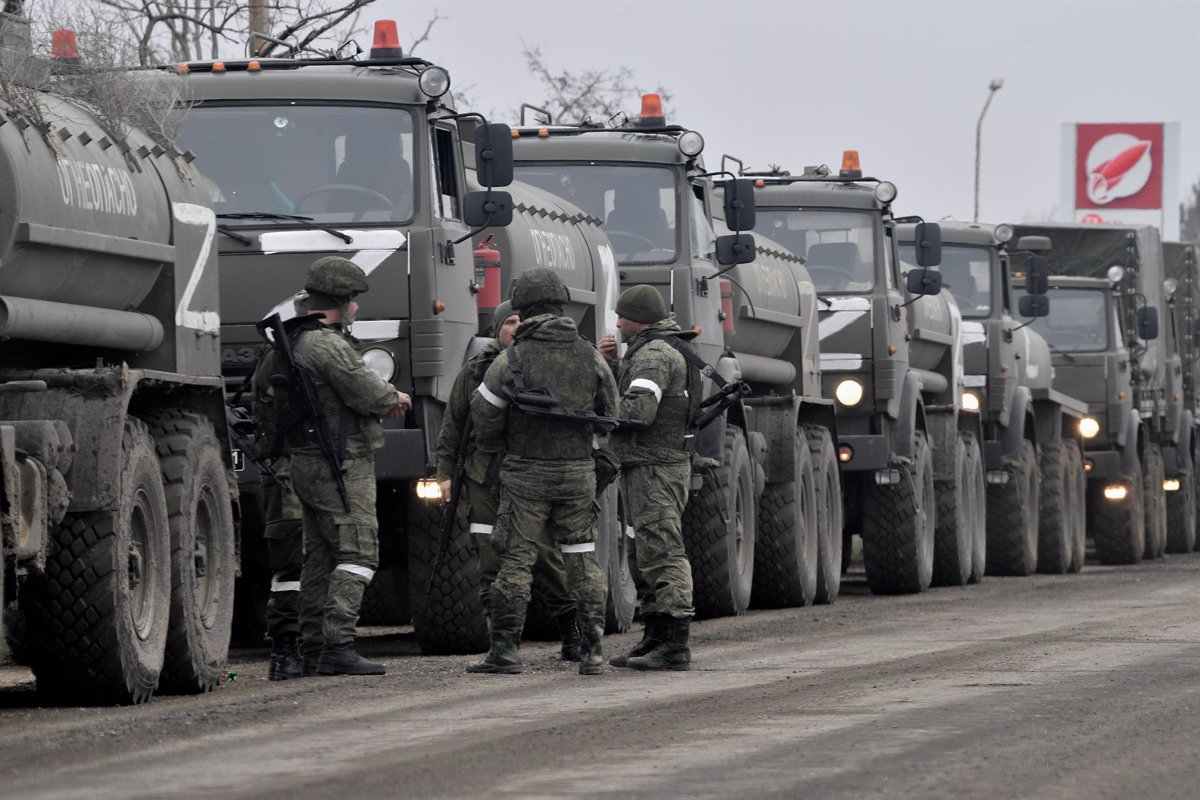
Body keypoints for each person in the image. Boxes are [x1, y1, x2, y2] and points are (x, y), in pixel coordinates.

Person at [467, 269, 619, 675]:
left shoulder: (510, 359)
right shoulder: (590, 355)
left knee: (515, 560)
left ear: (523, 306)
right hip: (577, 474)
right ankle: (593, 653)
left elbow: (482, 417)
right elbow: (611, 418)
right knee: (582, 559)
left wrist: (506, 446)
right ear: (561, 304)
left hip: (524, 474)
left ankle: (505, 651)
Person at [433, 301, 582, 661]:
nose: (515, 328)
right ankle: (501, 643)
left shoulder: (542, 365)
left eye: (521, 322)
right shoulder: (476, 370)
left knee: (544, 555)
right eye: (509, 322)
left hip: (530, 477)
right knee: (490, 556)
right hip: (485, 476)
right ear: (497, 328)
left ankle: (572, 633)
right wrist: (444, 475)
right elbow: (454, 425)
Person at [284, 256, 410, 676]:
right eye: (354, 300)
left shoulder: (295, 340)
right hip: (340, 464)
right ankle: (338, 645)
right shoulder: (329, 345)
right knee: (358, 552)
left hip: (306, 461)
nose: (357, 307)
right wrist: (396, 399)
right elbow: (370, 394)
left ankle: (314, 646)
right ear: (341, 300)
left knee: (321, 557)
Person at [598, 284, 697, 671]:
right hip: (649, 465)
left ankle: (674, 644)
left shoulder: (654, 355)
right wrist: (612, 367)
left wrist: (596, 400)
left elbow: (638, 412)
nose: (617, 324)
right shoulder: (654, 349)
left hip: (657, 466)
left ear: (635, 319)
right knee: (645, 552)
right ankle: (655, 635)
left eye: (621, 316)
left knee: (663, 551)